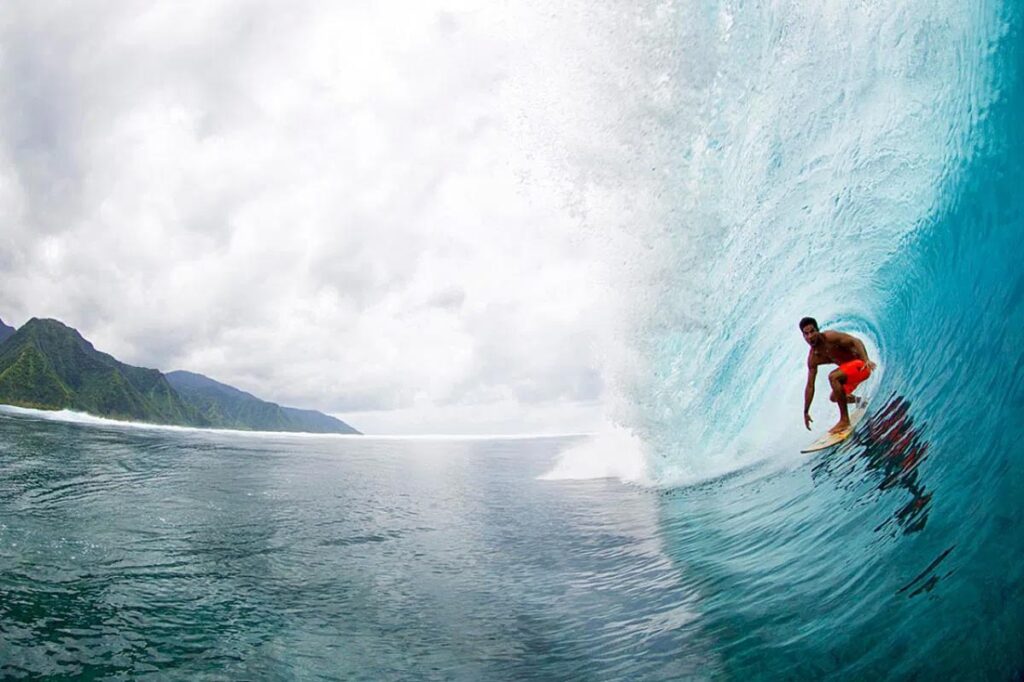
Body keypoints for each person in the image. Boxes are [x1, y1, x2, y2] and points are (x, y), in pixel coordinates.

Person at [800, 317, 877, 434]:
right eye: (806, 334)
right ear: (803, 336)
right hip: (851, 376)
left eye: (812, 331)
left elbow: (855, 341)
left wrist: (866, 360)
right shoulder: (813, 358)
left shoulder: (830, 337)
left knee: (833, 377)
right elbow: (810, 386)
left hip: (861, 367)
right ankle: (861, 402)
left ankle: (844, 420)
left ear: (817, 330)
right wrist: (806, 411)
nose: (810, 336)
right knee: (835, 397)